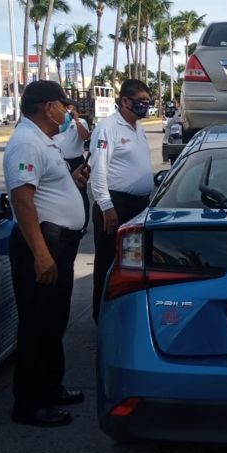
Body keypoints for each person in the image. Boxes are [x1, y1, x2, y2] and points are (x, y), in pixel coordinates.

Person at [3, 80, 90, 427]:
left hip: (58, 244)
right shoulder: (26, 142)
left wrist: (74, 179)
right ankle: (30, 404)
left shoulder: (44, 140)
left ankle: (51, 387)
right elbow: (22, 199)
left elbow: (45, 187)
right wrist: (41, 254)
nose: (67, 111)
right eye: (62, 105)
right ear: (46, 107)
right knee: (37, 325)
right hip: (42, 244)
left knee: (53, 322)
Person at [90, 78, 154, 321]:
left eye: (148, 101)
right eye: (141, 101)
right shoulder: (108, 128)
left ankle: (126, 316)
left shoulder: (138, 127)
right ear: (125, 101)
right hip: (115, 205)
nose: (145, 105)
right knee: (108, 263)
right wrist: (106, 206)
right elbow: (98, 171)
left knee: (133, 264)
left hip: (139, 205)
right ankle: (102, 317)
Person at [54, 103, 91, 225]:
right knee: (61, 193)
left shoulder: (81, 122)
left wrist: (76, 121)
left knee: (80, 192)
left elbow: (85, 136)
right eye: (67, 108)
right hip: (60, 161)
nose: (68, 111)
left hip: (76, 161)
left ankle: (83, 223)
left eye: (71, 109)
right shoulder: (58, 123)